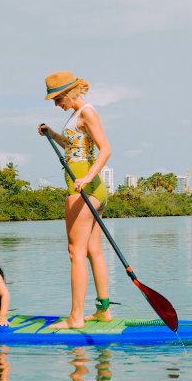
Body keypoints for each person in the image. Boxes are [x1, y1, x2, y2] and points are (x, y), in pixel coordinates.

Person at [38, 71, 113, 331]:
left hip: (84, 186)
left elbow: (105, 148)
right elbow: (74, 149)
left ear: (70, 92)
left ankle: (76, 317)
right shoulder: (76, 116)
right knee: (93, 251)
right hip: (91, 188)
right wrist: (52, 134)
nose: (56, 104)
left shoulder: (87, 112)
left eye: (58, 98)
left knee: (75, 252)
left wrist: (87, 178)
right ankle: (103, 312)